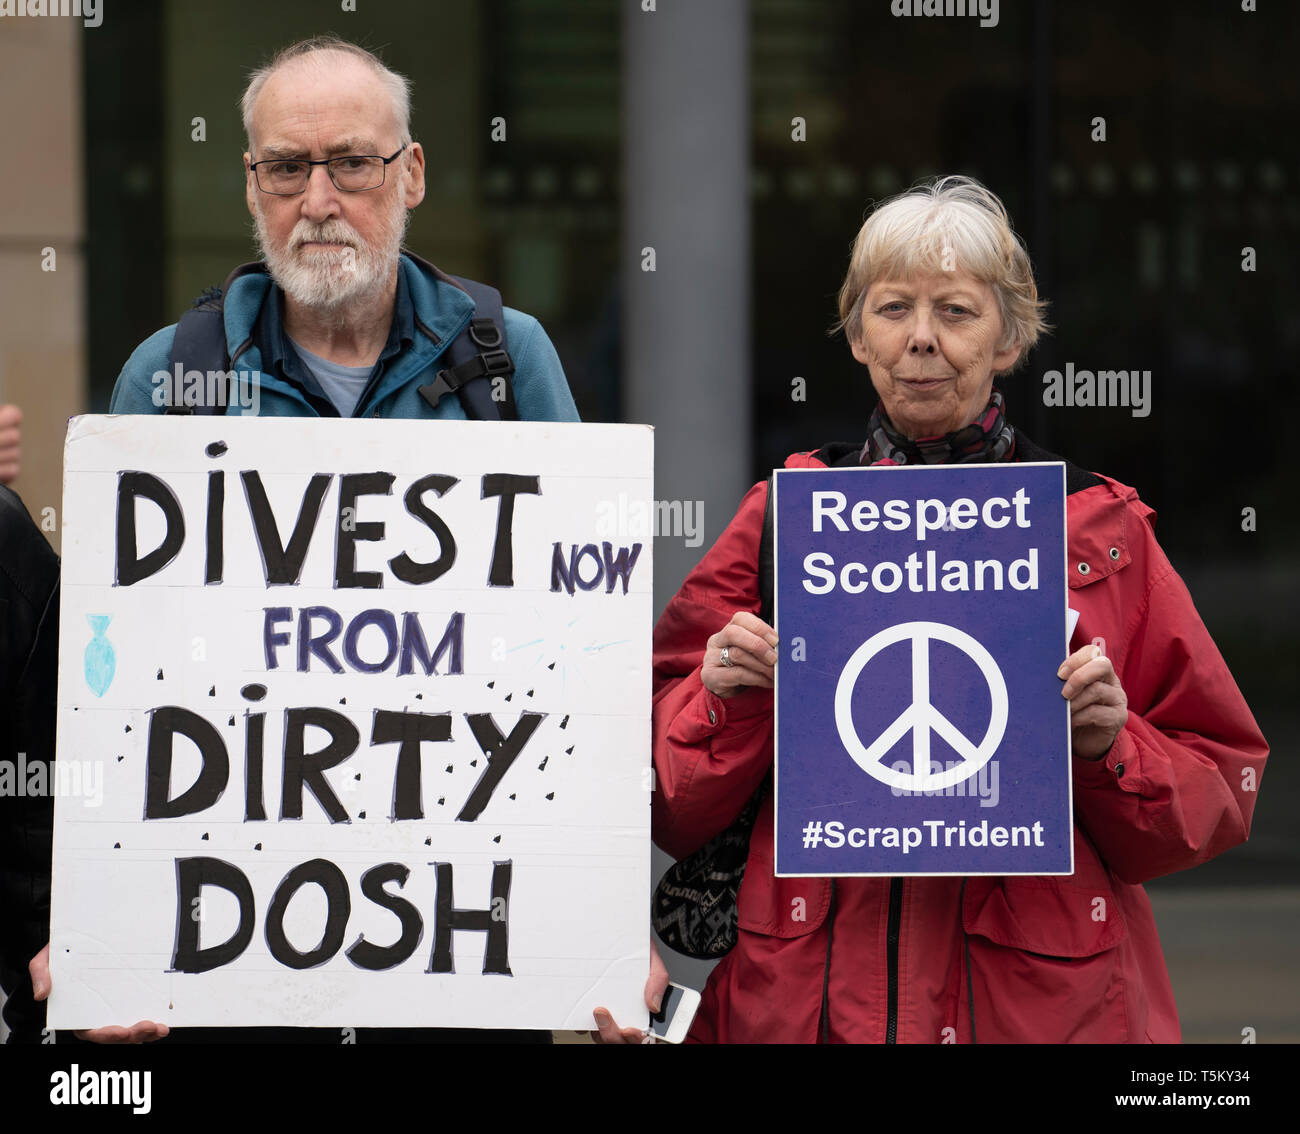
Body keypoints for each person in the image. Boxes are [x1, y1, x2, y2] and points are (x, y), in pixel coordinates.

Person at [30, 34, 662, 1044]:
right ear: (250, 186)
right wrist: (100, 925)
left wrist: (593, 927)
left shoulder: (507, 361)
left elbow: (572, 662)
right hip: (238, 954)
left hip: (455, 937)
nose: (318, 199)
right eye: (286, 167)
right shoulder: (171, 374)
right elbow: (118, 686)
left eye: (352, 164)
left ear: (408, 172)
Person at [649, 176, 1269, 1043]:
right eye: (894, 308)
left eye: (958, 312)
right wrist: (722, 698)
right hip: (806, 1001)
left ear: (1011, 339)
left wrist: (1107, 746)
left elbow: (1221, 785)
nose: (923, 340)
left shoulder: (1101, 527)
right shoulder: (785, 518)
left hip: (1039, 1007)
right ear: (858, 335)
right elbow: (656, 798)